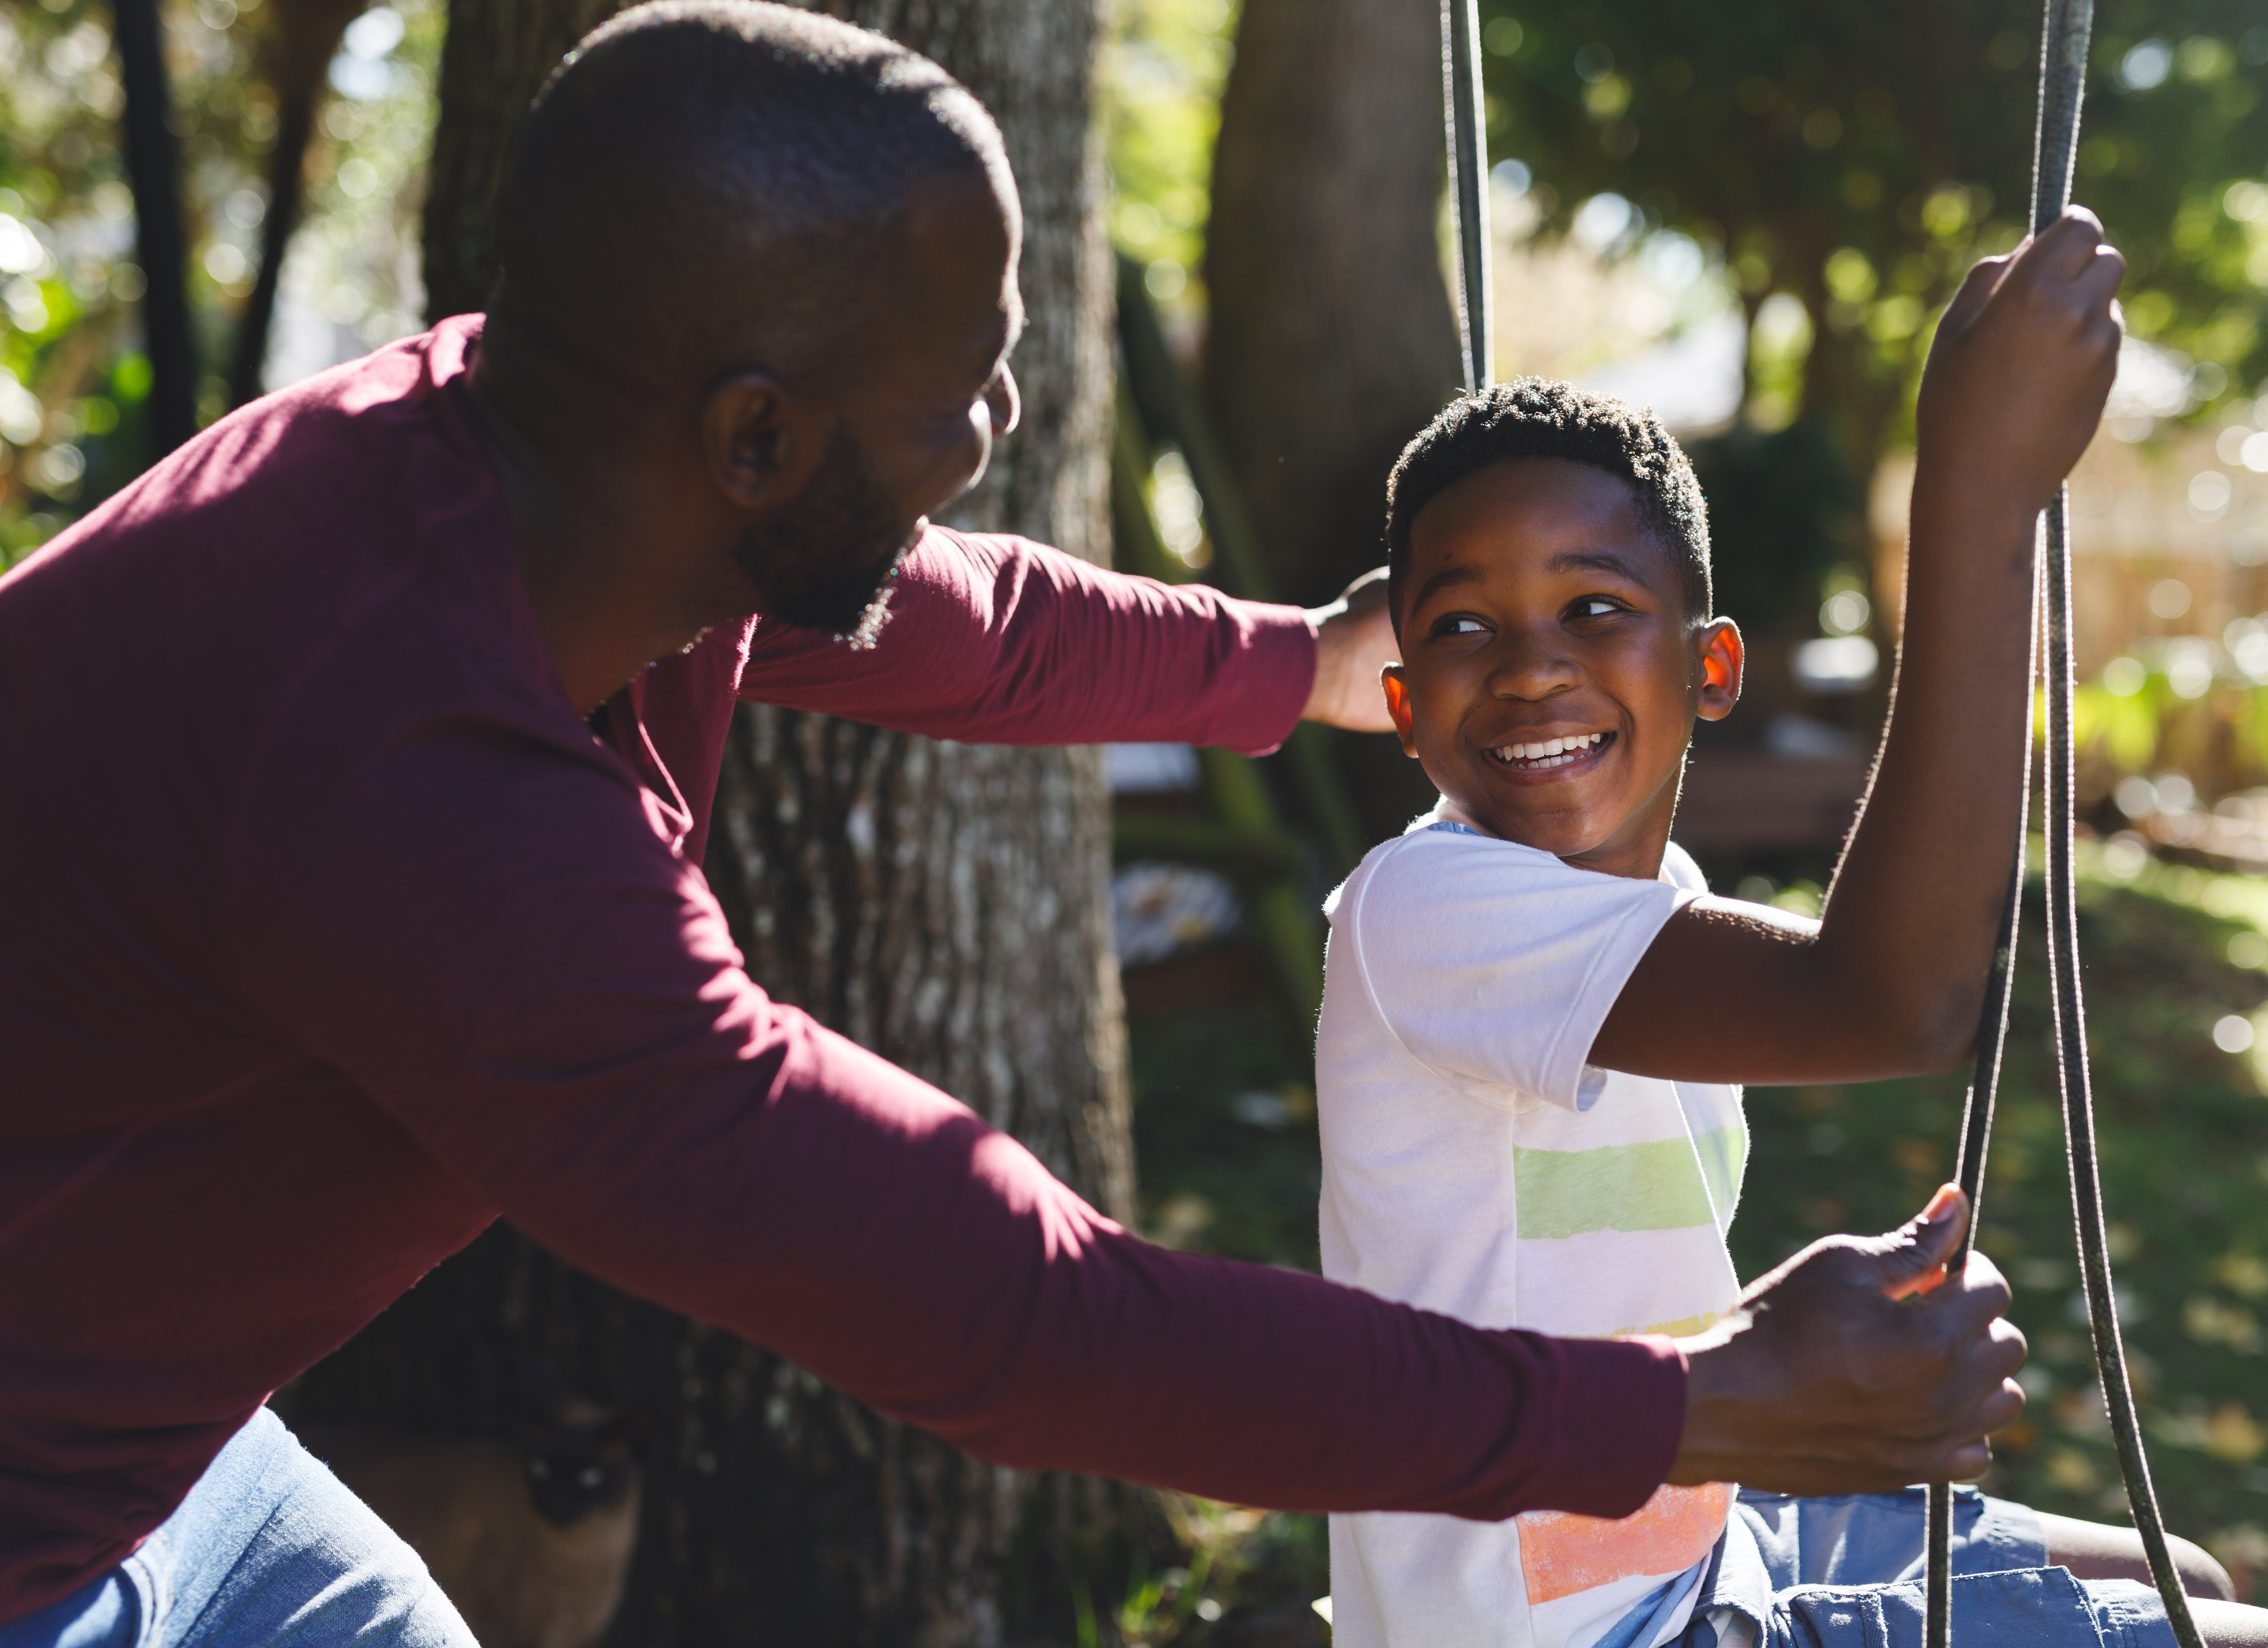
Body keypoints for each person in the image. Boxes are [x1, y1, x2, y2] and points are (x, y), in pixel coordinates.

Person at [0, 6, 2021, 1644]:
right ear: (759, 440)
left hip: (159, 1451)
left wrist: (1301, 664)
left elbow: (956, 617)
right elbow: (1011, 1309)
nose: (993, 434)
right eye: (962, 400)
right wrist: (1693, 1405)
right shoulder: (426, 800)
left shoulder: (524, 454)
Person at [1314, 223, 2268, 1648]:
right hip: (1575, 1626)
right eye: (1463, 625)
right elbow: (1889, 1000)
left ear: (1712, 663)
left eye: (1595, 607)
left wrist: (1805, 1336)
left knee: (2192, 1582)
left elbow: (1560, 1289)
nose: (1534, 660)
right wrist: (1975, 491)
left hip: (1685, 1519)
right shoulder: (1421, 907)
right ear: (1403, 700)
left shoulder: (1650, 908)